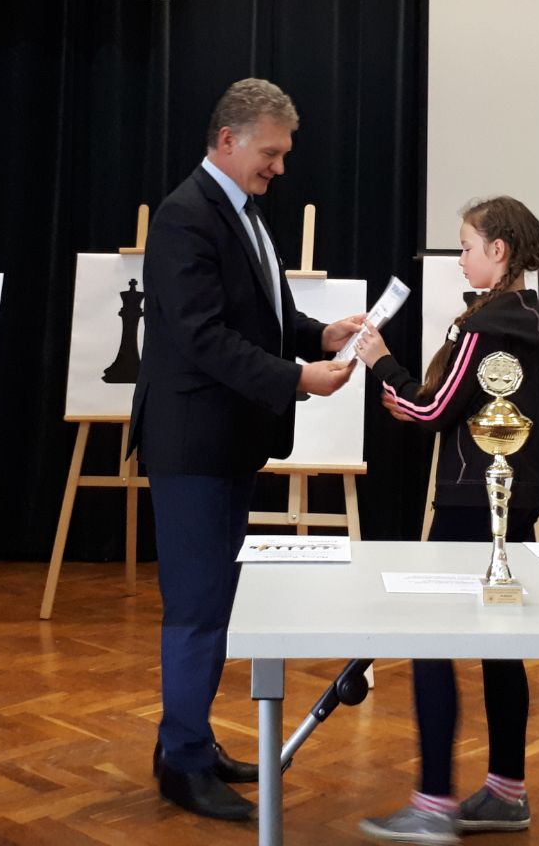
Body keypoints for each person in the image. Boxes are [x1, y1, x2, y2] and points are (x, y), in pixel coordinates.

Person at [133, 78, 364, 822]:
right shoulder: (185, 216)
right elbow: (203, 337)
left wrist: (318, 334)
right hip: (193, 444)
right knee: (197, 609)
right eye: (271, 151)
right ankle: (182, 765)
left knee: (212, 604)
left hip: (226, 441)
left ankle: (189, 746)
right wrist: (298, 377)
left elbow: (260, 314)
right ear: (228, 140)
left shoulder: (241, 210)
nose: (280, 166)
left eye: (284, 152)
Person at [354, 196, 539, 845]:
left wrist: (380, 363)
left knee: (430, 637)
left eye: (467, 246)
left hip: (471, 497)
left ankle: (432, 803)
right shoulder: (533, 317)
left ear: (498, 250)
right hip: (519, 495)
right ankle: (506, 793)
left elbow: (434, 410)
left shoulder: (485, 323)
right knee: (501, 645)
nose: (460, 258)